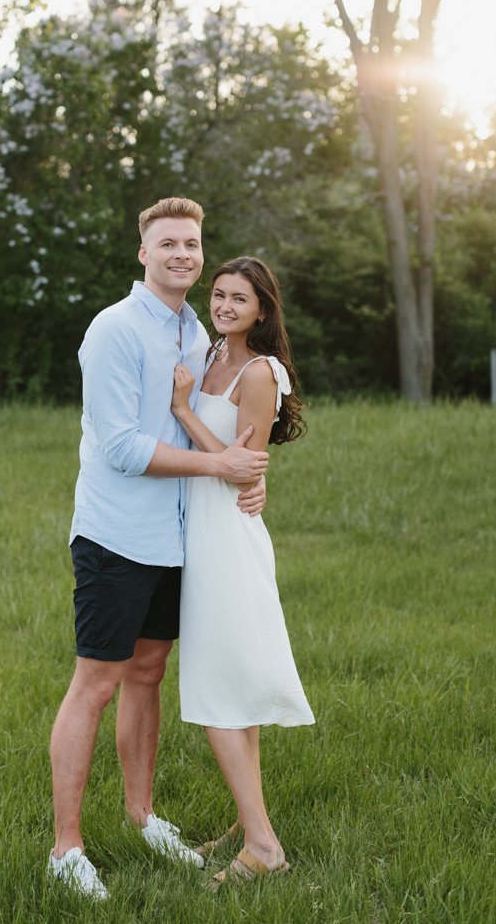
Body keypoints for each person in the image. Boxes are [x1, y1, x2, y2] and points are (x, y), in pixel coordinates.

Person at [48, 197, 270, 901]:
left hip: (177, 539)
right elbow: (118, 448)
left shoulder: (195, 329)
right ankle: (66, 847)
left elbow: (222, 419)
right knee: (98, 681)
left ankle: (142, 816)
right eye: (168, 242)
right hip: (117, 534)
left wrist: (249, 475)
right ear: (143, 253)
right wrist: (222, 469)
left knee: (148, 672)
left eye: (192, 242)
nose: (182, 252)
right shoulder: (114, 330)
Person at [170, 255, 313, 887]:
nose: (225, 306)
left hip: (227, 533)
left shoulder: (259, 371)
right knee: (226, 681)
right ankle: (245, 817)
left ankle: (263, 847)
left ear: (262, 309)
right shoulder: (209, 354)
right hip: (202, 526)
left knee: (216, 689)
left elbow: (240, 465)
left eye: (239, 299)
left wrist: (182, 412)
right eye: (219, 295)